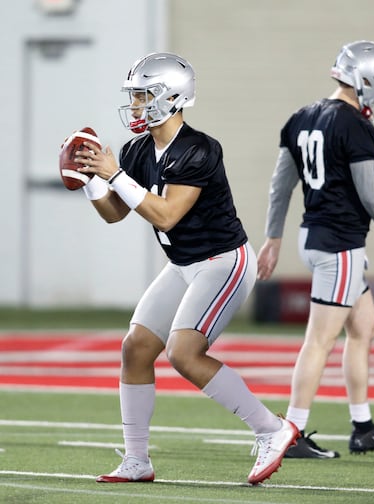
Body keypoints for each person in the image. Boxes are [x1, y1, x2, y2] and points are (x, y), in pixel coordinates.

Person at [72, 52, 299, 485]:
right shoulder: (138, 150)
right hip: (182, 265)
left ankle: (273, 429)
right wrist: (90, 181)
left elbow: (165, 215)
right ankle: (137, 460)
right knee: (135, 348)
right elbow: (115, 213)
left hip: (222, 262)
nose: (136, 105)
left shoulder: (199, 148)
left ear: (171, 97)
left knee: (183, 353)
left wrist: (114, 172)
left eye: (143, 95)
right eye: (135, 95)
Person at [256, 40, 374, 459]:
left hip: (315, 238)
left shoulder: (300, 118)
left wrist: (273, 238)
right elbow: (372, 195)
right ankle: (292, 432)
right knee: (320, 341)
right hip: (340, 245)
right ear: (364, 80)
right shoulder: (356, 127)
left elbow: (280, 186)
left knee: (363, 328)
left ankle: (362, 427)